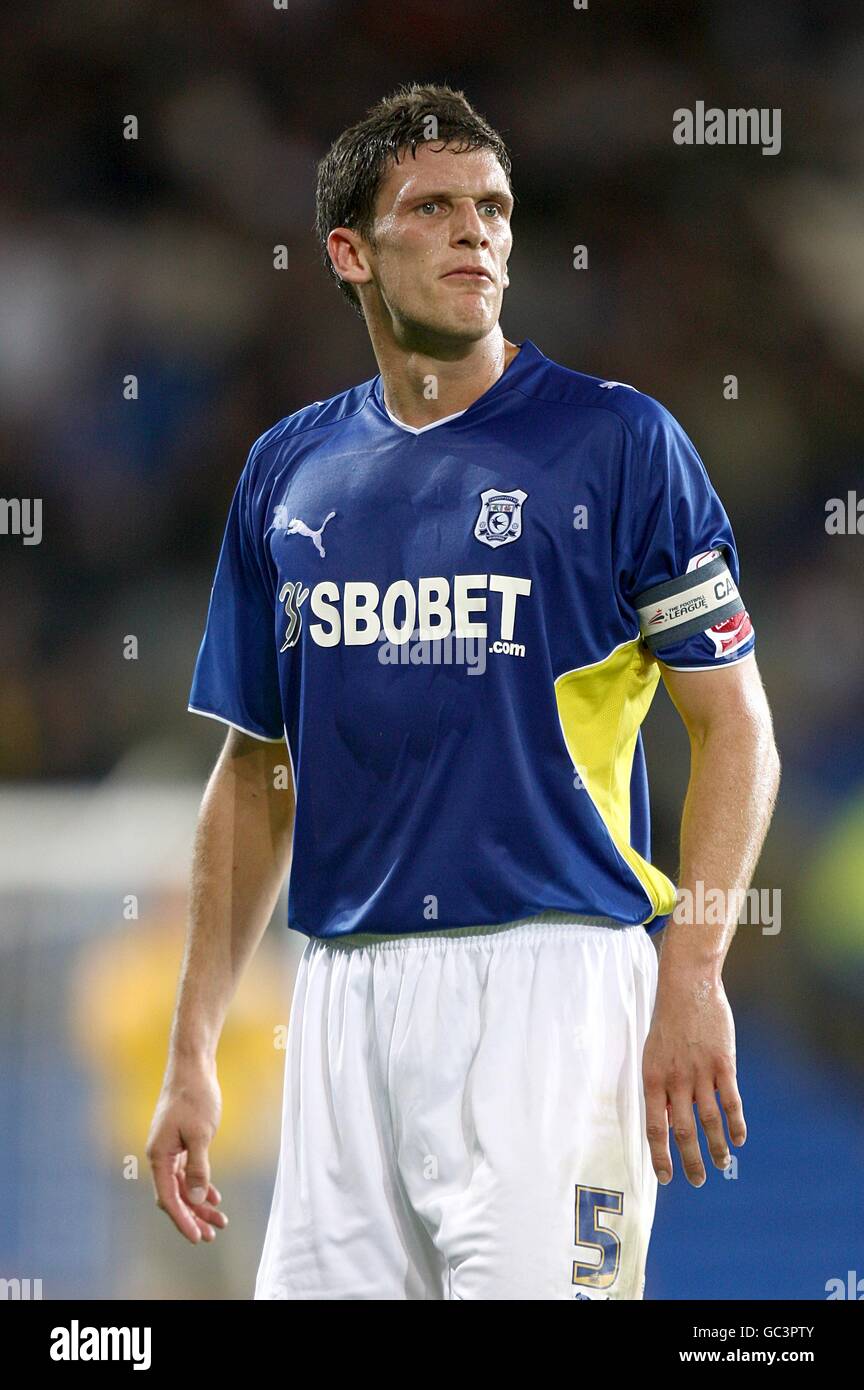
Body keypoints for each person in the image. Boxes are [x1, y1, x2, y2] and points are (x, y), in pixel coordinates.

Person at [147, 83, 781, 1300]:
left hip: (555, 986)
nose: (475, 232)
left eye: (492, 207)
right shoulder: (285, 471)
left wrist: (692, 969)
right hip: (341, 999)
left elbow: (735, 728)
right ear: (350, 253)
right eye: (432, 208)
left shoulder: (620, 443)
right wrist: (194, 1052)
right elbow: (255, 773)